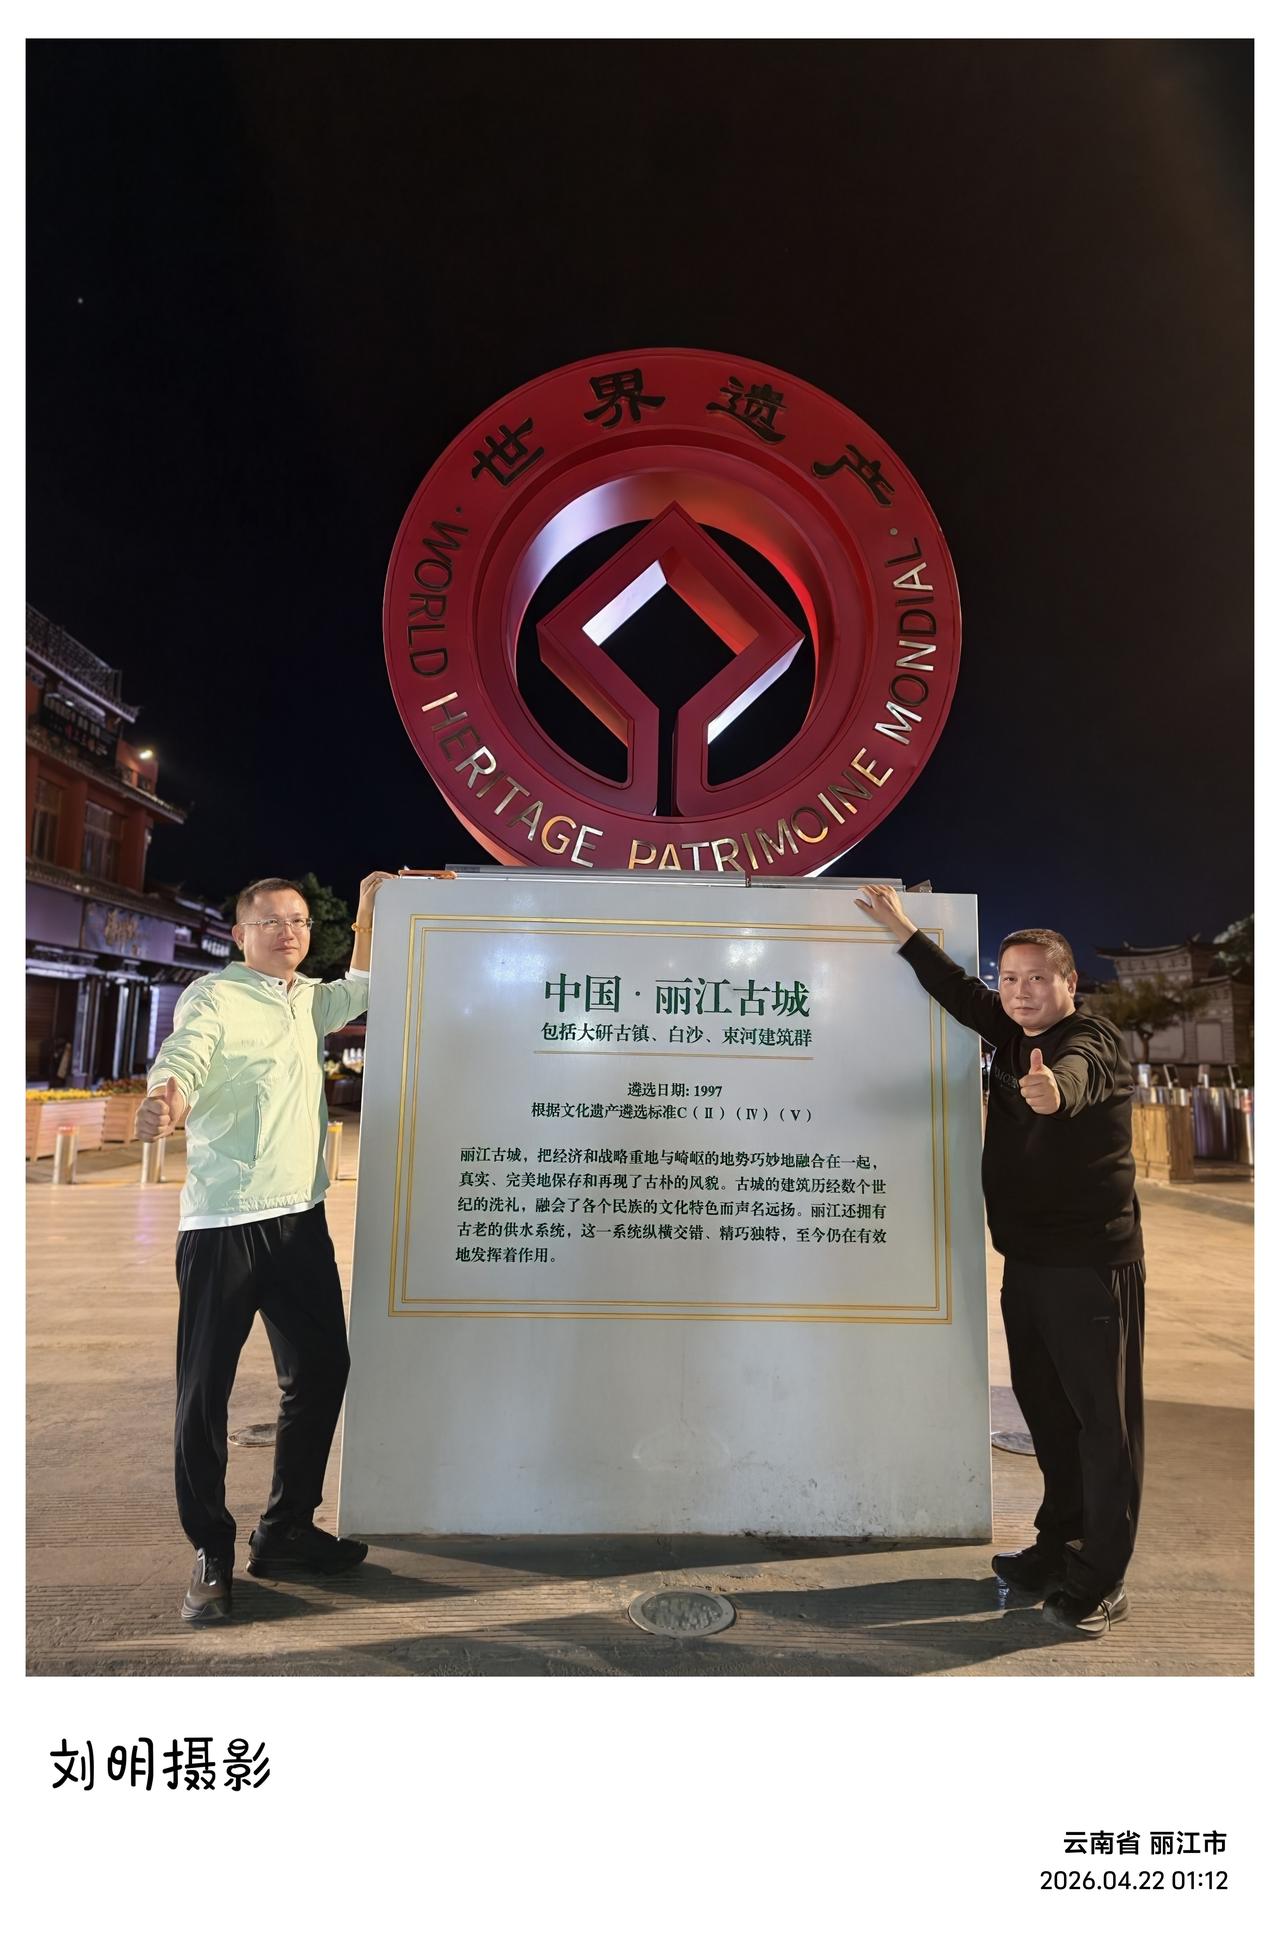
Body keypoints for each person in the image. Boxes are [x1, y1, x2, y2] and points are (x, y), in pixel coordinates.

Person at [854, 883, 1143, 1639]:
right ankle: (1058, 1546)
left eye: (1037, 978)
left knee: (1101, 1424)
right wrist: (900, 927)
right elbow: (957, 990)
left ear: (1069, 981)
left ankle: (1104, 1574)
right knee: (1046, 1411)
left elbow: (1078, 1077)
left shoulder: (1091, 1040)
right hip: (1030, 1260)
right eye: (1010, 978)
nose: (1019, 991)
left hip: (1089, 1265)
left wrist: (1052, 1093)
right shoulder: (1010, 1033)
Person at [137, 870, 396, 1623]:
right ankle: (210, 1551)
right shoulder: (214, 996)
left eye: (299, 921)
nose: (289, 932)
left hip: (298, 1221)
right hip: (222, 1225)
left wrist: (369, 905)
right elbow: (186, 1055)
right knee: (203, 1393)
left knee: (322, 1367)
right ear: (239, 934)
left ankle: (285, 1529)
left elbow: (365, 984)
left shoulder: (309, 999)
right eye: (272, 921)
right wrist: (166, 1098)